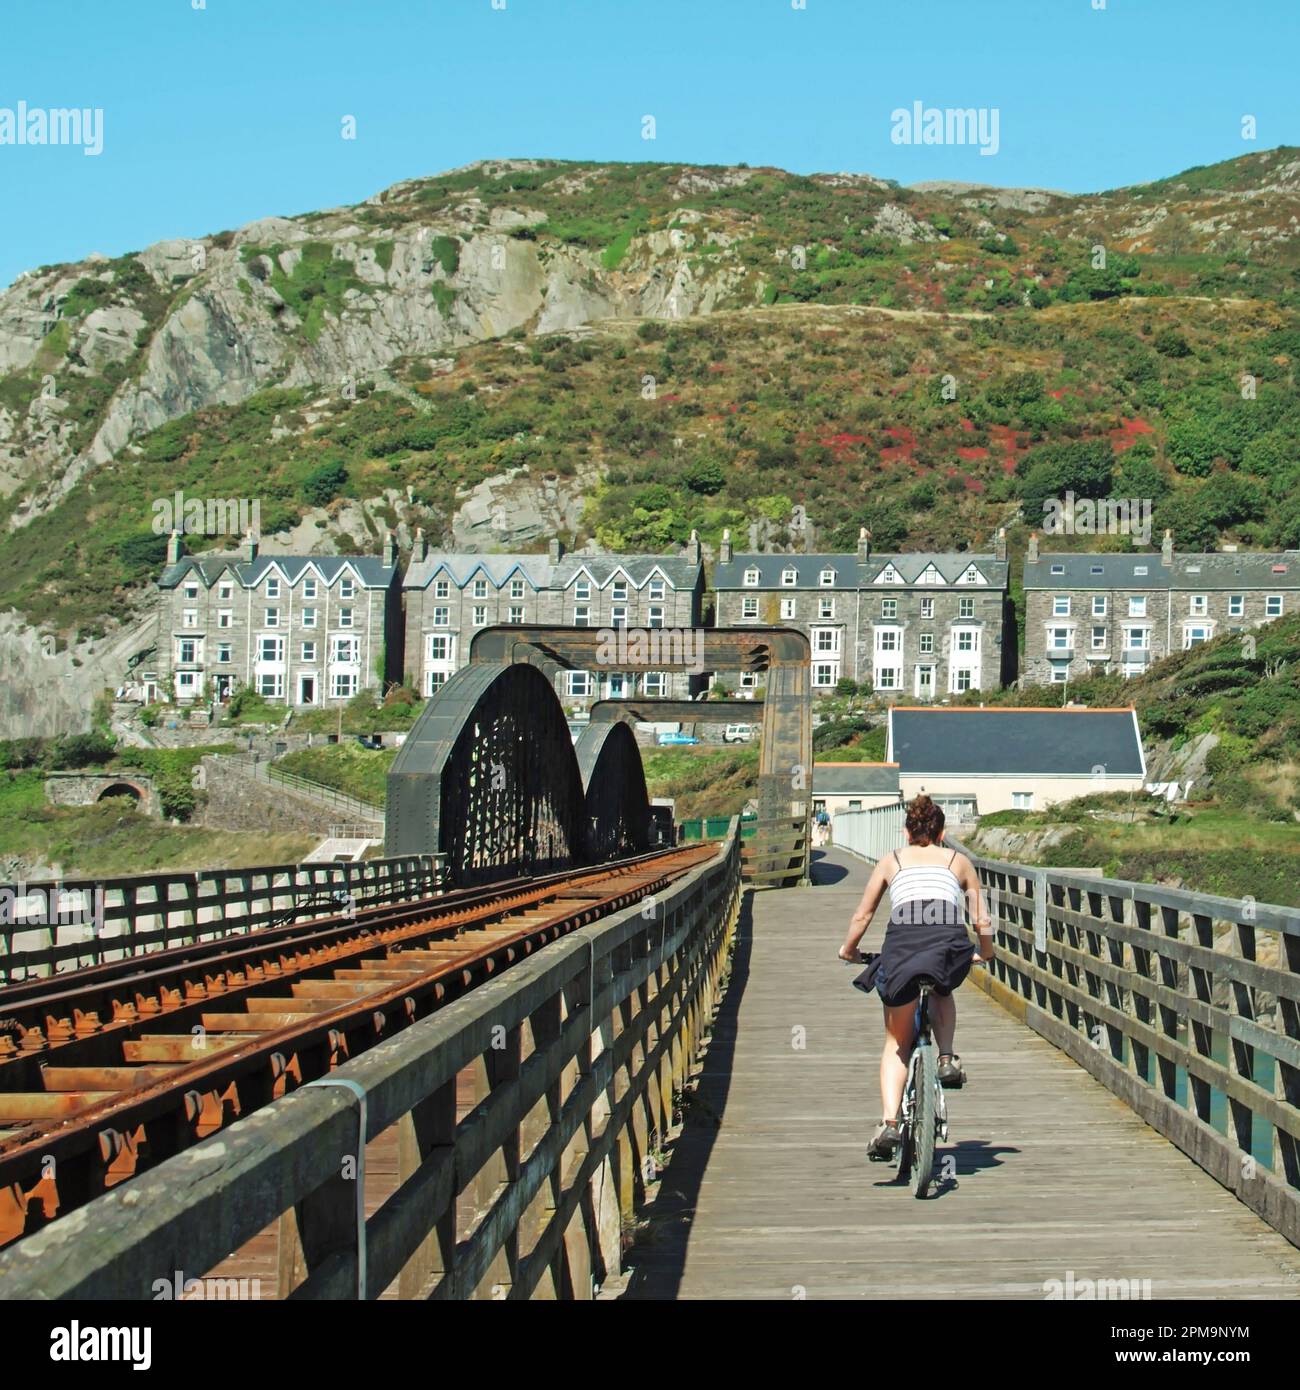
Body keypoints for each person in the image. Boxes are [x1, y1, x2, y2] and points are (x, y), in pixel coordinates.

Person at [837, 793, 993, 1161]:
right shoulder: (959, 861)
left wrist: (849, 950)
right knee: (942, 986)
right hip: (947, 944)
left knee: (896, 1041)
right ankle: (947, 1057)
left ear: (907, 832)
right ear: (942, 833)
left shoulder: (891, 861)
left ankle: (890, 1123)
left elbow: (863, 915)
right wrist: (985, 952)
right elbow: (981, 919)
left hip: (903, 947)